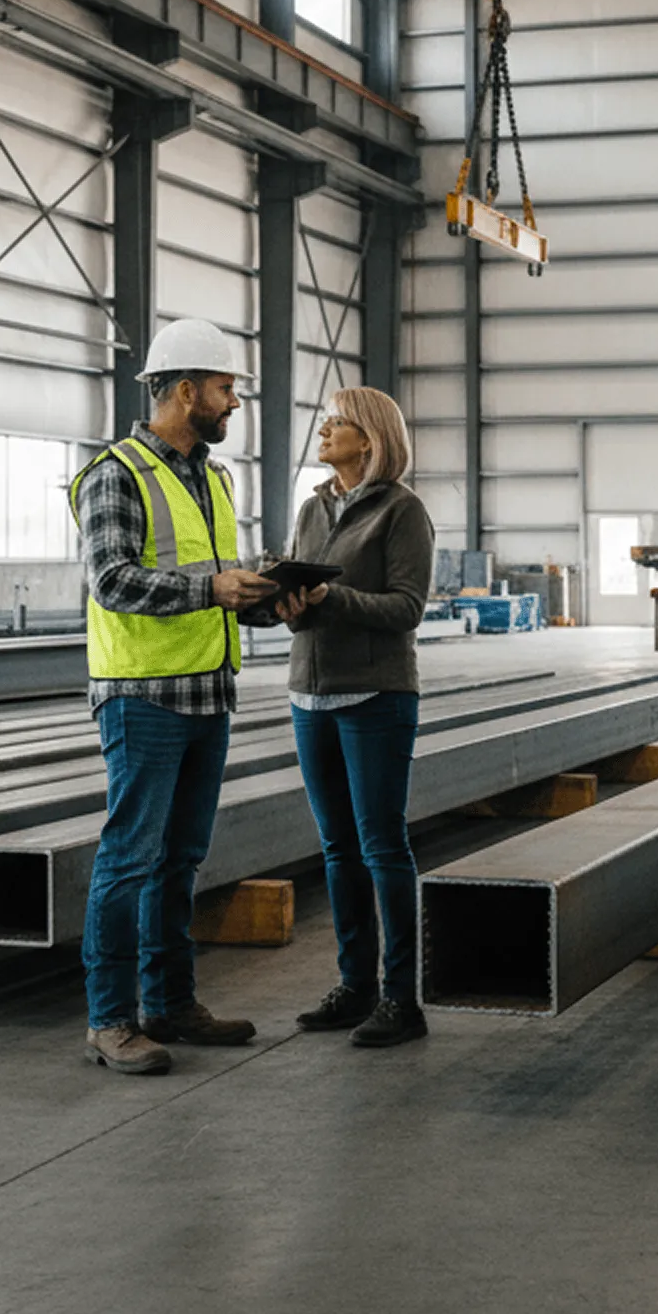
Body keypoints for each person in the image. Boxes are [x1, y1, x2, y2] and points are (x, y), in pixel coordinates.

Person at [70, 318, 276, 1076]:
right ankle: (109, 1021)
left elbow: (215, 585)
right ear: (186, 391)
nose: (234, 404)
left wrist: (269, 599)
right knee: (129, 858)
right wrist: (215, 589)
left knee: (180, 860)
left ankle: (170, 1005)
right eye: (226, 390)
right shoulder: (115, 474)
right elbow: (113, 580)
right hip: (144, 695)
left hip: (208, 690)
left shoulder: (214, 479)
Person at [275, 385, 436, 1048]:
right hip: (310, 697)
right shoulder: (313, 507)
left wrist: (329, 598)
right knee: (338, 849)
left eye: (335, 423)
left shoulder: (402, 511)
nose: (323, 432)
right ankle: (355, 987)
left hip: (375, 697)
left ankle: (401, 999)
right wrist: (285, 604)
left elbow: (406, 608)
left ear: (368, 439)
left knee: (381, 847)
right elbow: (306, 603)